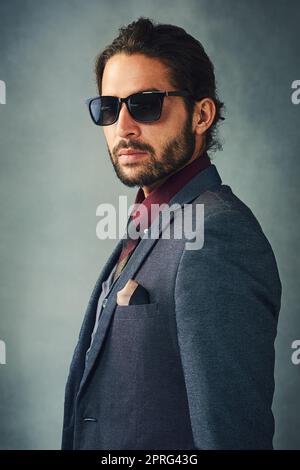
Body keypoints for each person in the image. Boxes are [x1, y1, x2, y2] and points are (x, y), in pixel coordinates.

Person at [61, 17, 282, 450]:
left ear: (201, 114)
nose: (123, 126)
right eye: (109, 108)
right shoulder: (153, 220)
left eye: (145, 104)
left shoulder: (217, 235)